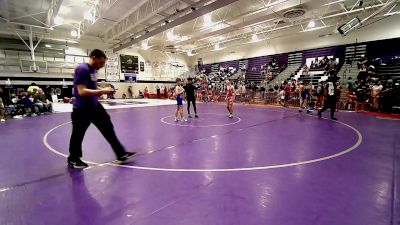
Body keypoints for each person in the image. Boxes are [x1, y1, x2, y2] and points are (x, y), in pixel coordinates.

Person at [68, 49, 135, 169]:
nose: (102, 66)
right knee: (78, 135)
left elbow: (90, 86)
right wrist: (102, 91)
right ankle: (73, 159)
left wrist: (99, 89)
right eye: (101, 63)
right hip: (82, 109)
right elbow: (81, 91)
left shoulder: (94, 69)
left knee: (108, 129)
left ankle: (121, 153)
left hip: (94, 106)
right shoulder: (82, 69)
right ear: (94, 58)